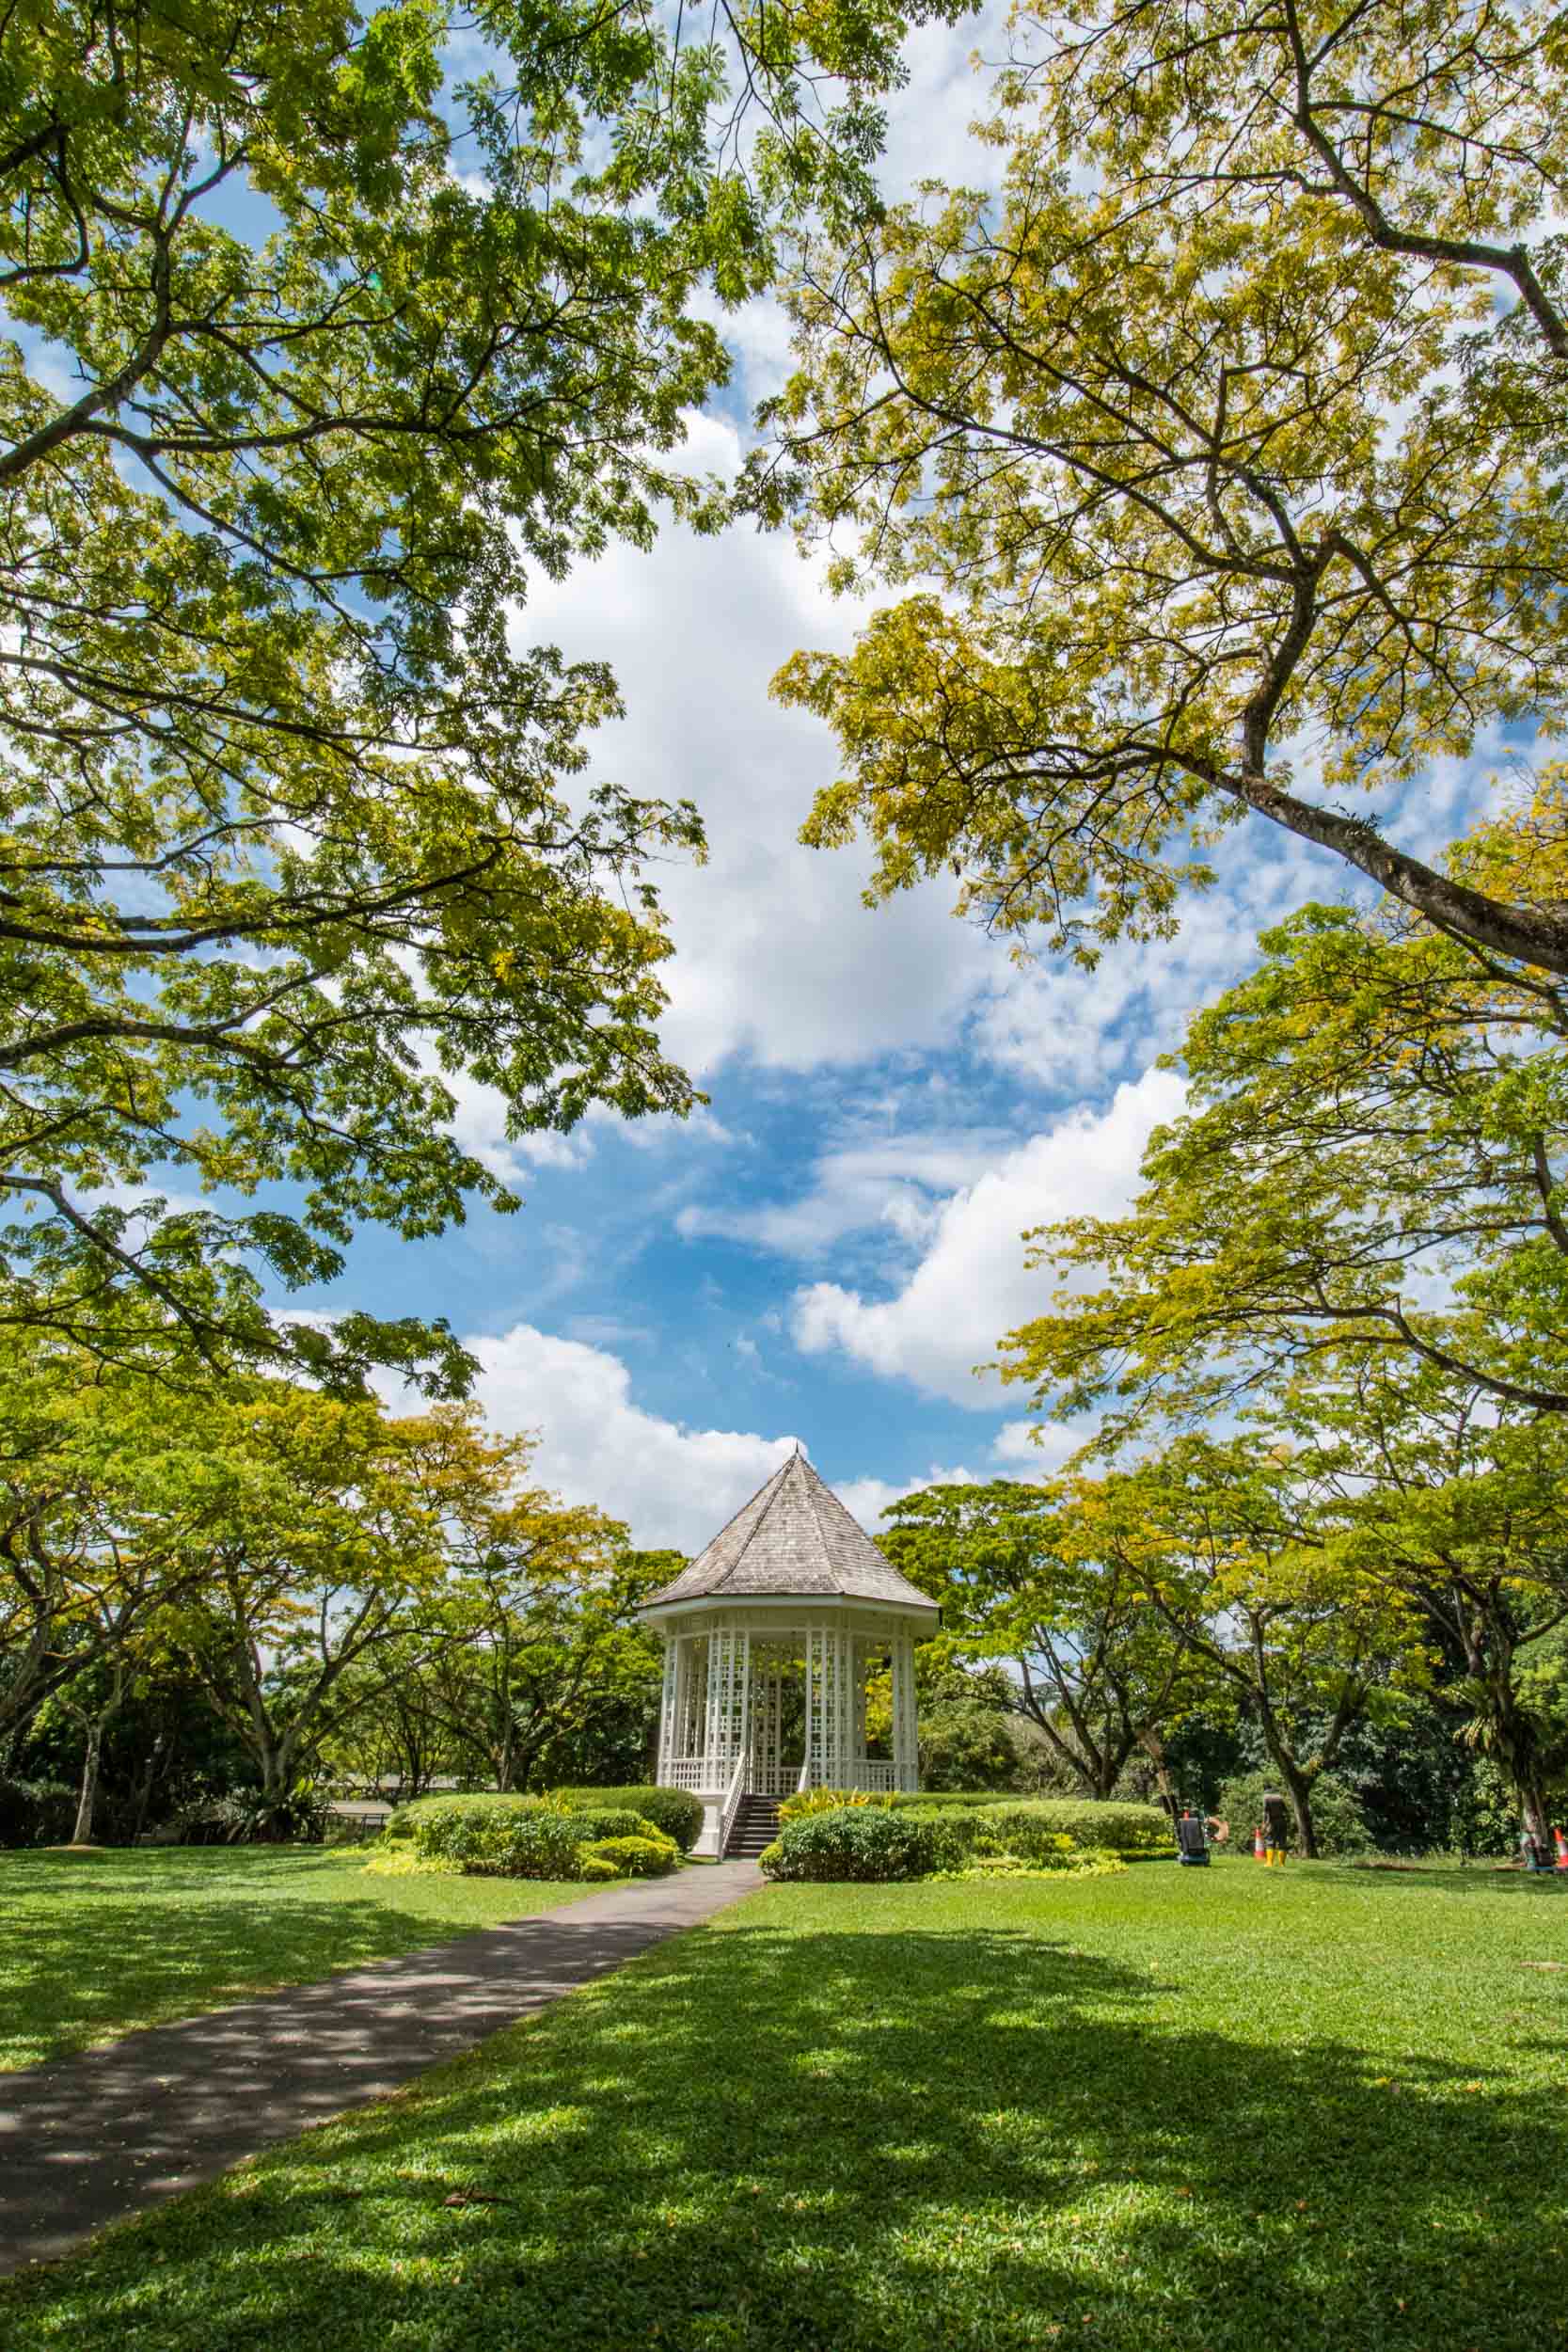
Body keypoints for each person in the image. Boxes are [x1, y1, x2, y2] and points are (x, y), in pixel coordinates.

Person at [1261, 1790, 1290, 1867]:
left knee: (1270, 1841)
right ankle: (1282, 1864)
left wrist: (1264, 1824)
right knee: (1282, 1842)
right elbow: (1286, 1811)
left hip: (1273, 1822)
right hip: (1282, 1821)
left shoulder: (1266, 1798)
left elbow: (1265, 1812)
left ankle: (1269, 1863)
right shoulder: (1280, 1797)